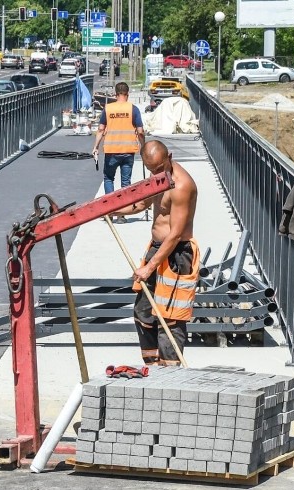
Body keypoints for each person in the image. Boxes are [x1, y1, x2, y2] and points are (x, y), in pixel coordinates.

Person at [110, 140, 200, 366]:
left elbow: (176, 234)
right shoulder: (157, 178)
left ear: (169, 157)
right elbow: (139, 204)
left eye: (159, 169)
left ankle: (170, 370)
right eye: (151, 171)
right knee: (143, 312)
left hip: (178, 253)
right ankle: (152, 365)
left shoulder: (181, 186)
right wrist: (108, 208)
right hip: (157, 248)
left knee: (170, 317)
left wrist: (149, 267)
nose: (156, 174)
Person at [91, 82, 146, 223]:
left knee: (109, 179)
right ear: (127, 94)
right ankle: (122, 215)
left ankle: (110, 211)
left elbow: (101, 130)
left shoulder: (108, 109)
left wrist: (95, 147)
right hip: (128, 152)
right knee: (125, 182)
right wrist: (143, 146)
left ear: (116, 95)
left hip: (111, 151)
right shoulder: (133, 109)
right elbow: (140, 131)